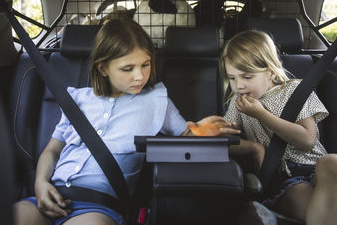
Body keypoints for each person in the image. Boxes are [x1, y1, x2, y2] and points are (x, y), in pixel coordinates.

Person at [13, 18, 238, 225]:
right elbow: (52, 150)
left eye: (145, 64)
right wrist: (41, 183)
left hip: (97, 206)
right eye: (127, 69)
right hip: (49, 195)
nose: (140, 76)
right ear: (103, 68)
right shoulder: (76, 99)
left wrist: (201, 128)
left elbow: (186, 135)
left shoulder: (156, 101)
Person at [220, 30, 337, 225]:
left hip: (318, 168)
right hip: (286, 177)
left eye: (247, 77)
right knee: (322, 208)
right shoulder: (238, 103)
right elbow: (227, 142)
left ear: (270, 70)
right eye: (232, 78)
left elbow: (307, 140)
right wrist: (253, 147)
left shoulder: (294, 91)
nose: (238, 86)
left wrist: (262, 114)